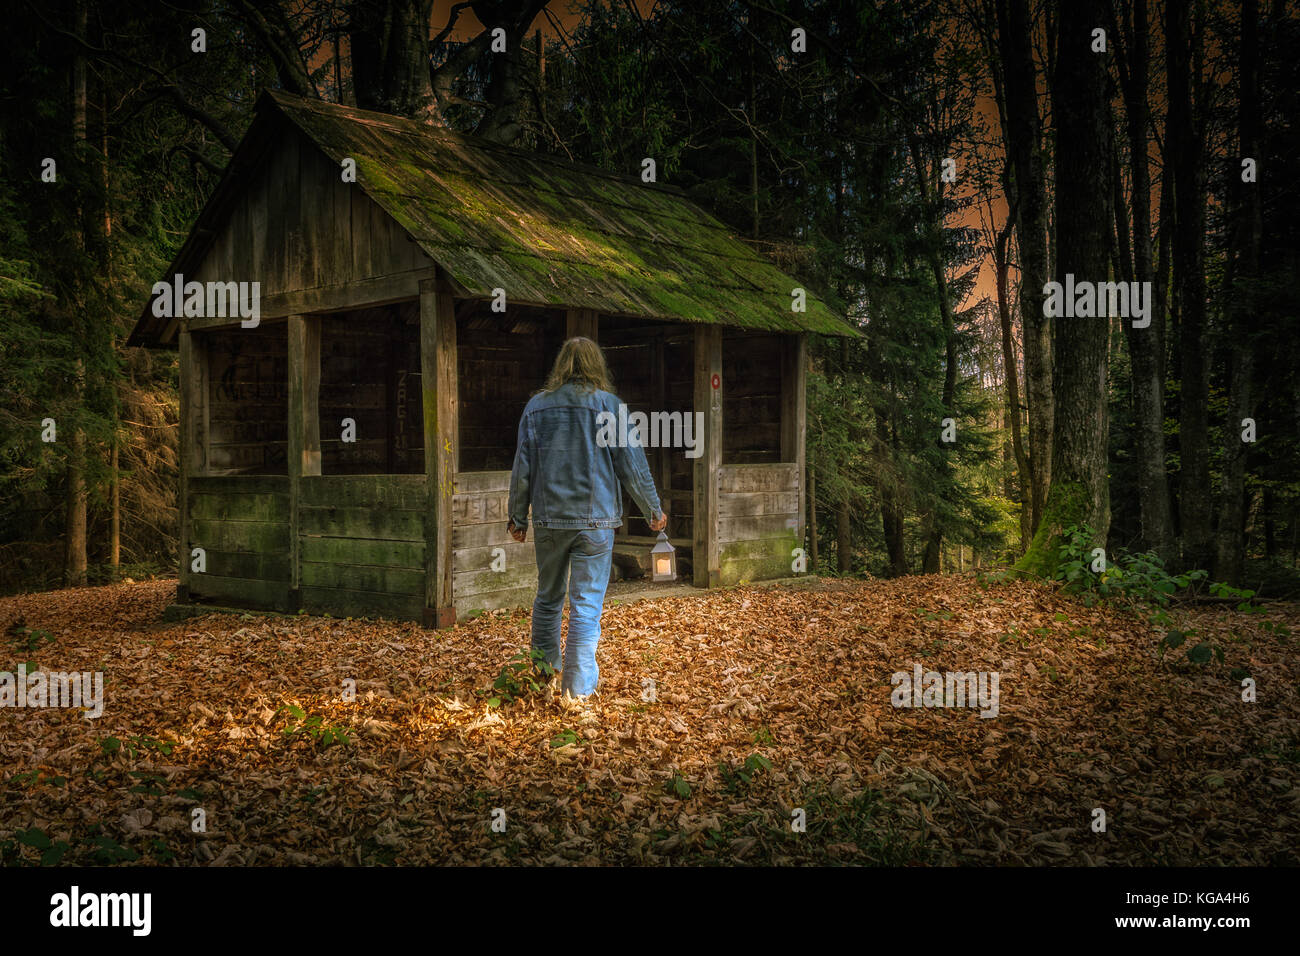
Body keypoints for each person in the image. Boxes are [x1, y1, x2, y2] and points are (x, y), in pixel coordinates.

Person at [507, 337, 666, 700]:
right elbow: (633, 466)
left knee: (548, 599)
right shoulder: (609, 406)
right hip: (595, 524)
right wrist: (653, 511)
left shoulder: (536, 408)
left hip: (548, 521)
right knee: (586, 607)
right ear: (597, 365)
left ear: (561, 365)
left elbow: (523, 469)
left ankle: (544, 675)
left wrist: (517, 518)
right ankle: (576, 693)